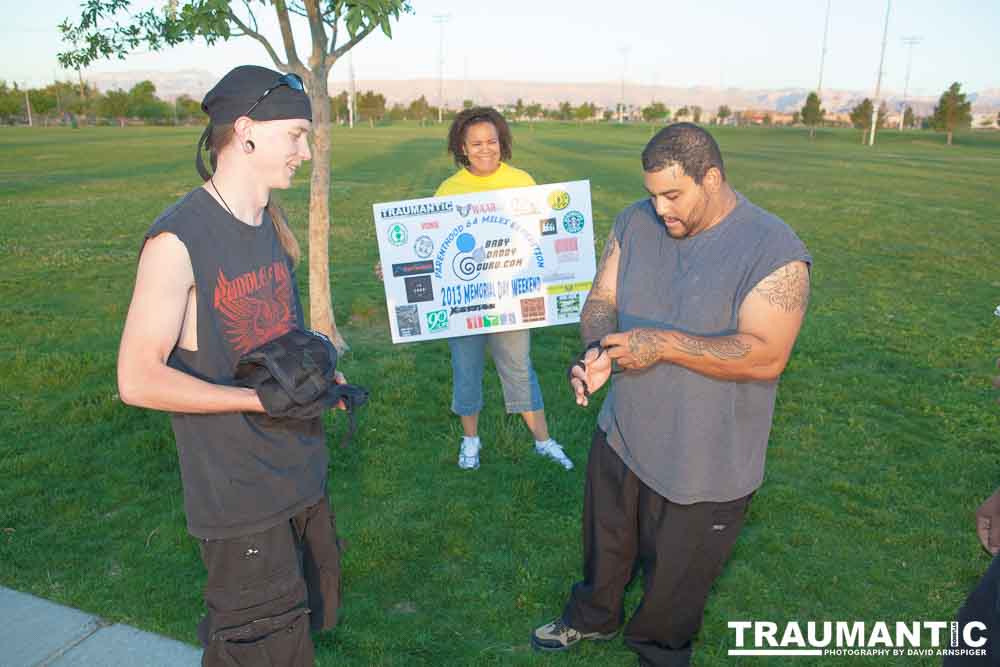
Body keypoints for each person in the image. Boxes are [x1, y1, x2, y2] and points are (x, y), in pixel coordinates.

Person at [531, 123, 812, 666]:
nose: (660, 209)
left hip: (706, 461)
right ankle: (594, 616)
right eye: (653, 193)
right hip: (623, 434)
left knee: (677, 585)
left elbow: (767, 354)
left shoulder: (775, 250)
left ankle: (658, 650)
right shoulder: (635, 221)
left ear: (712, 178)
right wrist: (596, 352)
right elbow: (600, 301)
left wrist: (661, 345)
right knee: (606, 546)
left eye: (673, 195)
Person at [117, 65, 345, 666]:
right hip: (239, 499)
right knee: (258, 653)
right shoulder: (179, 240)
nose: (306, 150)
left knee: (297, 633)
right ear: (245, 130)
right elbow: (136, 379)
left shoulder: (269, 220)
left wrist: (317, 376)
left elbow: (274, 339)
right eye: (295, 134)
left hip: (299, 472)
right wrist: (254, 401)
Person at [379, 107, 571, 471]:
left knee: (518, 368)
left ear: (502, 143)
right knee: (465, 370)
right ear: (462, 148)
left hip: (511, 301)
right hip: (463, 305)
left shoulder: (523, 181)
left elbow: (542, 234)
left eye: (492, 141)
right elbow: (430, 245)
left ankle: (543, 442)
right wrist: (392, 265)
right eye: (476, 143)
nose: (486, 149)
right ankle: (471, 441)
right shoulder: (449, 189)